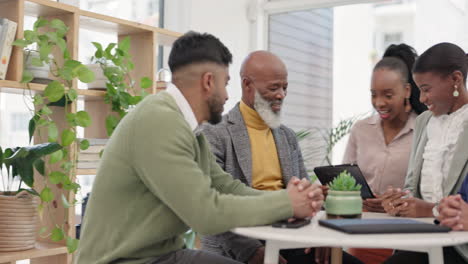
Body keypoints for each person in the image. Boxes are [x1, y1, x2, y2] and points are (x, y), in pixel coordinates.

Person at [74, 32, 324, 264]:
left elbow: (228, 187)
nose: (227, 96)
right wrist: (286, 204)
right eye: (225, 84)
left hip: (161, 254)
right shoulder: (158, 120)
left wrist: (289, 200)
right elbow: (205, 213)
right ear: (208, 82)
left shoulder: (187, 129)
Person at [201, 51, 362, 264]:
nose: (281, 95)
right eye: (273, 87)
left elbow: (305, 196)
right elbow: (211, 205)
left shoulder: (286, 136)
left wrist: (323, 235)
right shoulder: (214, 133)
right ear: (247, 84)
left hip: (291, 234)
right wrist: (252, 253)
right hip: (242, 240)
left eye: (285, 87)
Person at [382, 43, 468, 264]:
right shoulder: (424, 122)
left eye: (427, 89)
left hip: (459, 245)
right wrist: (402, 201)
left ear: (456, 79)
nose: (421, 98)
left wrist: (431, 210)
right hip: (419, 237)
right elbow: (413, 185)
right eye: (419, 89)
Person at [343, 44, 427, 213]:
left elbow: (428, 190)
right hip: (360, 219)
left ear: (407, 90)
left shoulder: (424, 131)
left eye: (388, 95)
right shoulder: (361, 129)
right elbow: (344, 179)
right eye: (374, 94)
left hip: (402, 224)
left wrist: (394, 201)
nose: (379, 103)